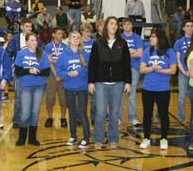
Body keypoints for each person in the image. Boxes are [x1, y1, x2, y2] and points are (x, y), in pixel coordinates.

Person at [88, 16, 131, 149]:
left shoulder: (122, 43)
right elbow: (92, 64)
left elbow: (126, 64)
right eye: (111, 24)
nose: (114, 26)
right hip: (101, 83)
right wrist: (91, 82)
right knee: (100, 113)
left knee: (114, 114)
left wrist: (128, 82)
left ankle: (113, 139)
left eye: (116, 24)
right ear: (106, 26)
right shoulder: (98, 43)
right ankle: (98, 140)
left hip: (118, 84)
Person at [138, 29, 177, 150]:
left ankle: (164, 138)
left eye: (153, 36)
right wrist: (152, 68)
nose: (151, 39)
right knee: (147, 114)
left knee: (163, 114)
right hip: (148, 88)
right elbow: (142, 69)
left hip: (163, 89)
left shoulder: (170, 52)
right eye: (151, 37)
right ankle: (146, 138)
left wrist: (160, 70)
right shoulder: (147, 51)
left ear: (160, 38)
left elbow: (173, 70)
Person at [14, 32, 50, 146]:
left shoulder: (42, 54)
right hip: (26, 86)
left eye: (36, 40)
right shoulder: (21, 54)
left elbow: (47, 71)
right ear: (27, 42)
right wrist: (29, 70)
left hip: (39, 86)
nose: (34, 42)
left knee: (35, 112)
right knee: (25, 113)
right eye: (32, 40)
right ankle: (22, 137)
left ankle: (32, 138)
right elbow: (17, 71)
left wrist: (36, 72)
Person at [56, 31, 90, 149]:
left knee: (83, 113)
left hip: (82, 88)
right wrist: (67, 74)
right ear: (69, 40)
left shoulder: (84, 54)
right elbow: (58, 70)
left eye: (78, 37)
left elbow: (89, 68)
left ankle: (86, 137)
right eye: (73, 37)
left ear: (80, 40)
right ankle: (73, 136)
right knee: (71, 113)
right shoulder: (64, 54)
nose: (76, 39)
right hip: (69, 88)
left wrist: (78, 72)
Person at [6, 19, 36, 128]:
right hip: (19, 72)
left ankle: (29, 119)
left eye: (30, 27)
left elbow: (40, 53)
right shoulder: (15, 39)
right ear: (22, 27)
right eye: (26, 26)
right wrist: (11, 67)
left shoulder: (35, 39)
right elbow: (8, 54)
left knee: (32, 97)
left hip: (33, 73)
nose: (28, 28)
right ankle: (17, 120)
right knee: (19, 97)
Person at [121, 18, 143, 127]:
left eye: (128, 24)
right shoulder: (119, 37)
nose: (126, 26)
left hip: (134, 68)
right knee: (119, 94)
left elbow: (139, 54)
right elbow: (117, 53)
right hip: (120, 69)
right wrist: (131, 52)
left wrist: (125, 54)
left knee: (132, 94)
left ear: (132, 26)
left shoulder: (137, 38)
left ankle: (133, 118)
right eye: (124, 24)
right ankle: (118, 118)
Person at [174, 20, 193, 123]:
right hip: (183, 73)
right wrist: (184, 71)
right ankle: (181, 118)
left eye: (191, 26)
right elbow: (178, 59)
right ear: (183, 28)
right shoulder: (179, 42)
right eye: (187, 26)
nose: (190, 28)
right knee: (181, 97)